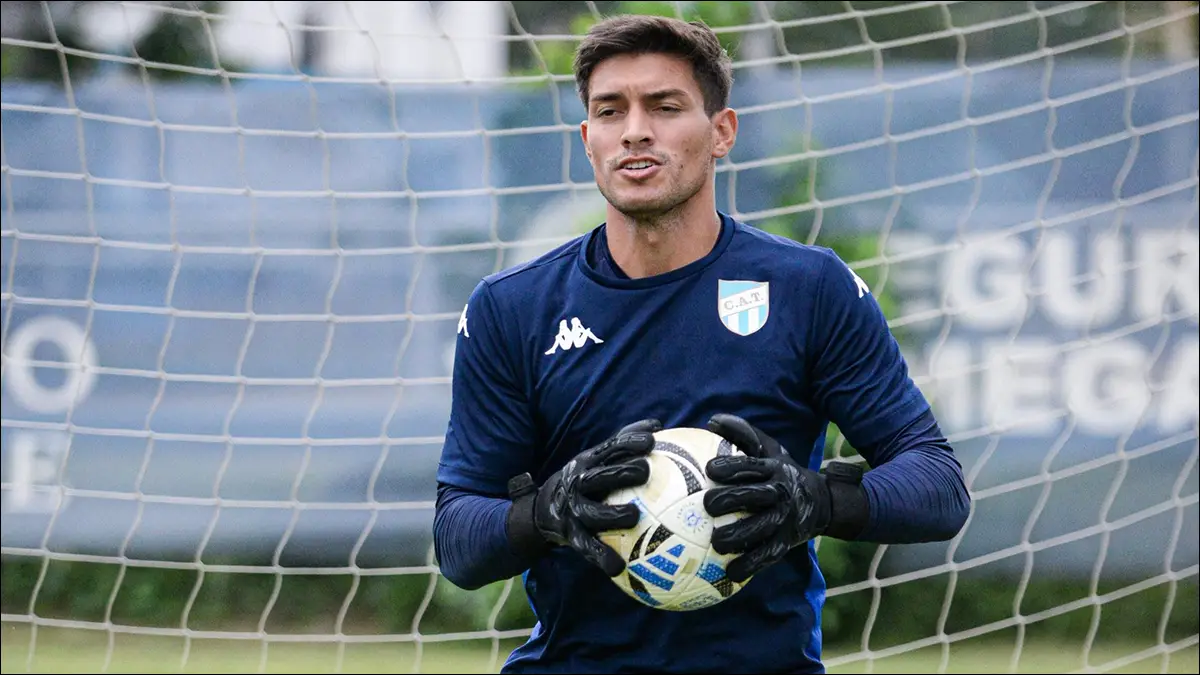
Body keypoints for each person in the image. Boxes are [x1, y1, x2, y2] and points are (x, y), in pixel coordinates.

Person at [432, 13, 971, 674]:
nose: (635, 129)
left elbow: (939, 484)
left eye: (664, 106)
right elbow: (458, 540)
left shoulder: (808, 289)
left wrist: (818, 500)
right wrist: (544, 512)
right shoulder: (512, 308)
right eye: (610, 110)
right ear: (587, 139)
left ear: (722, 132)